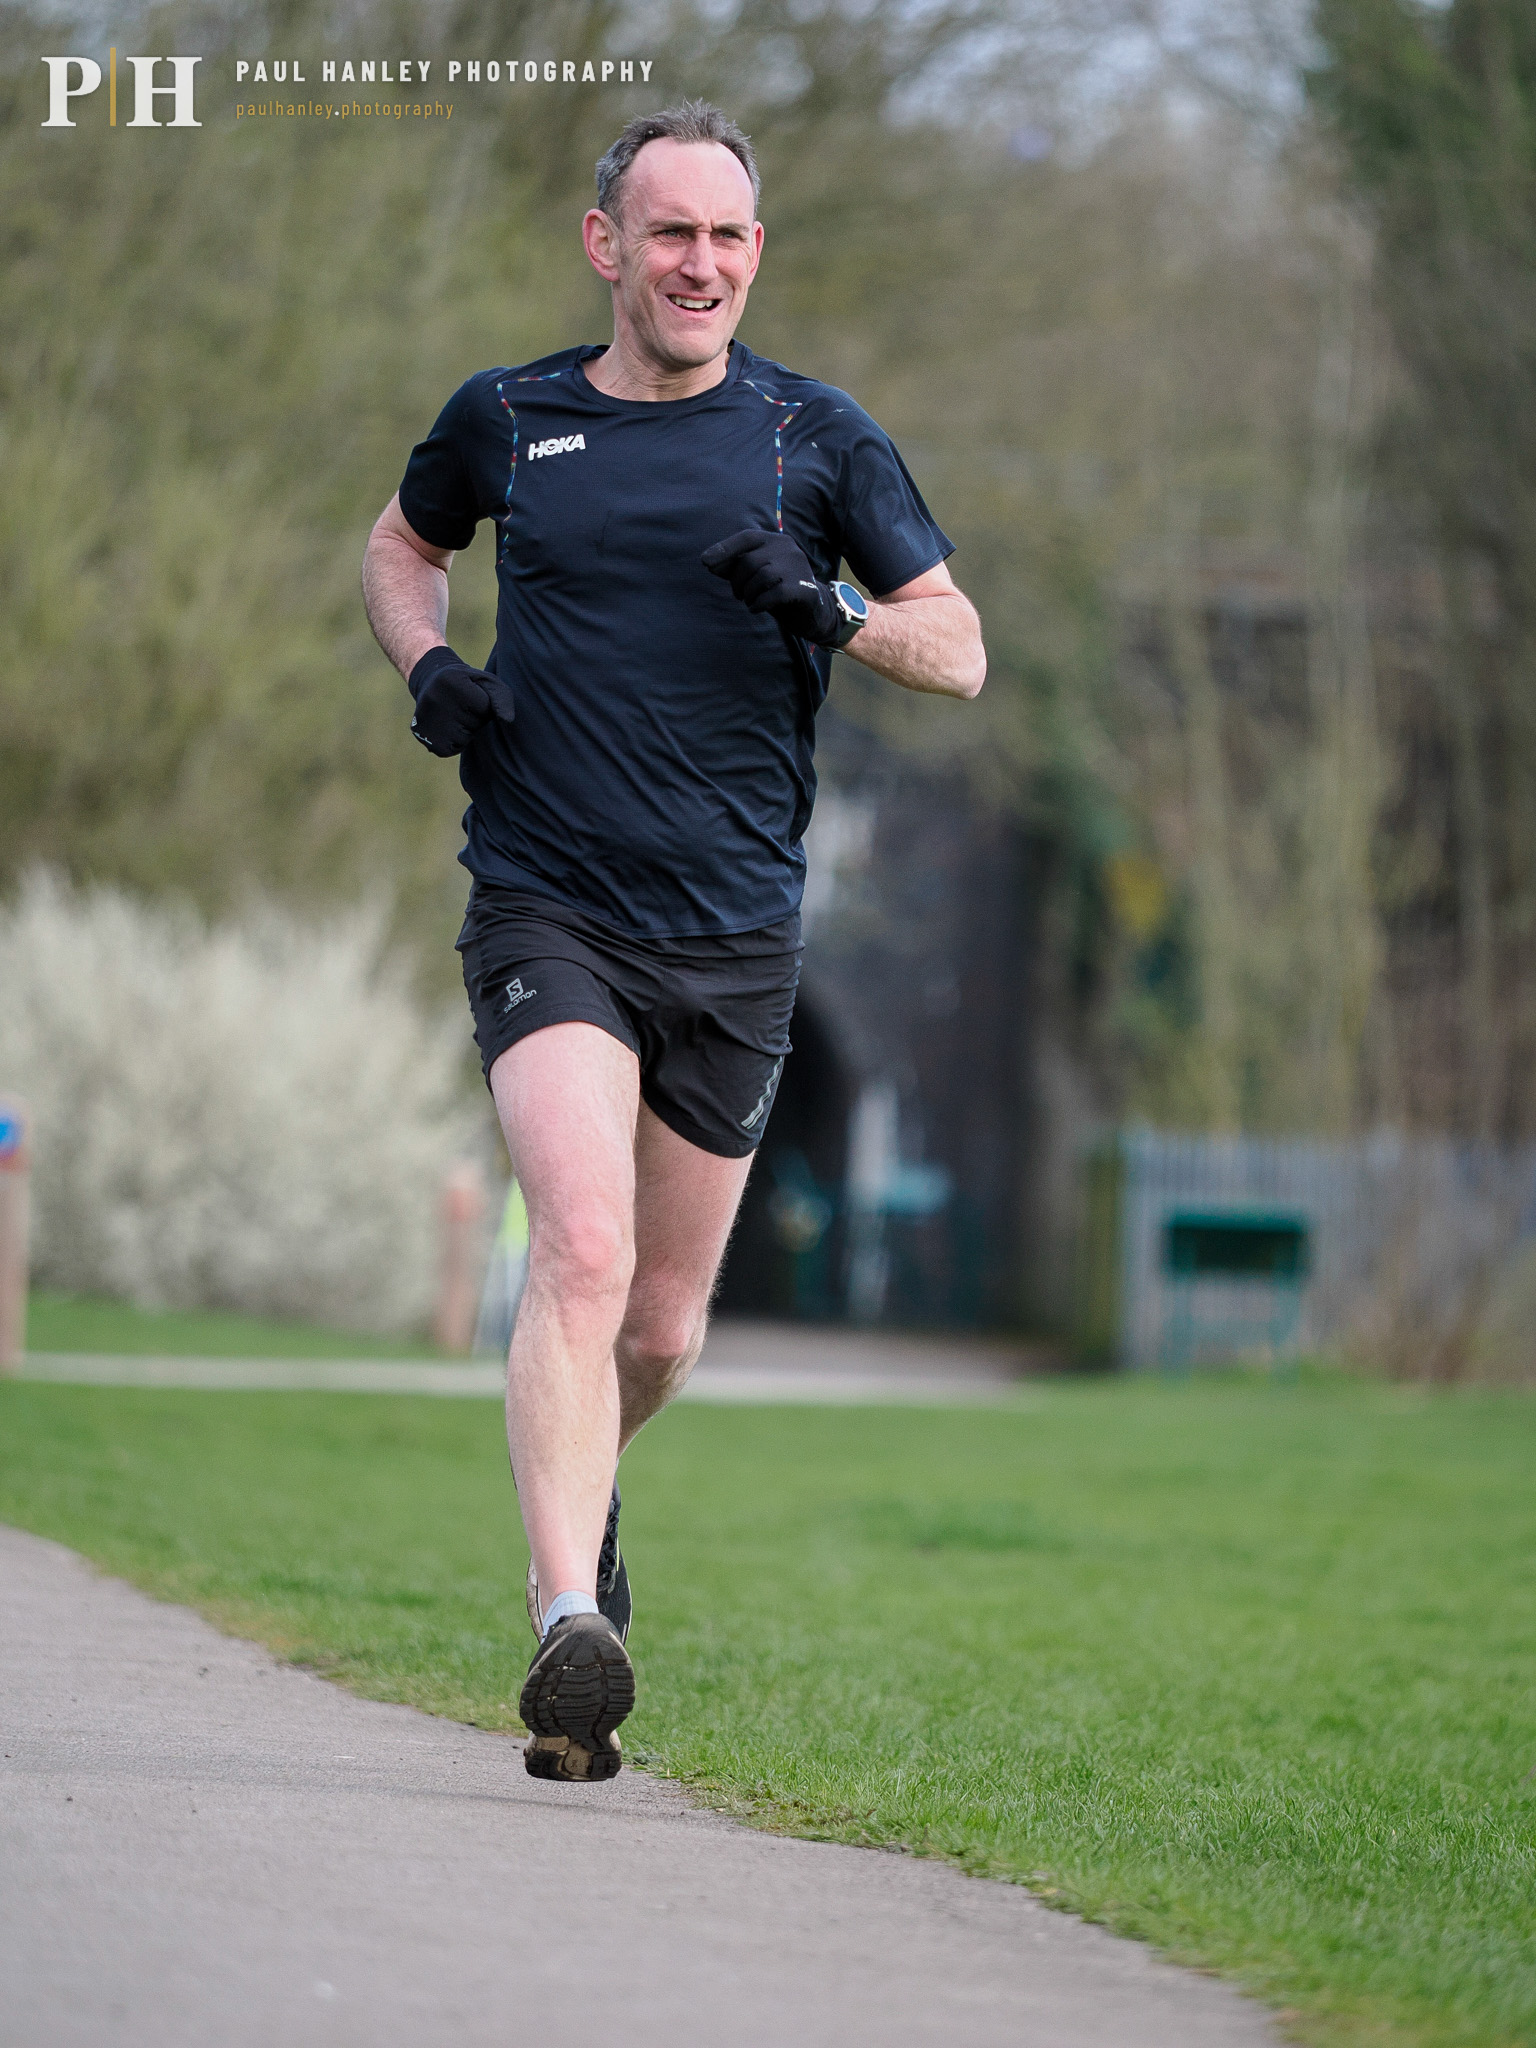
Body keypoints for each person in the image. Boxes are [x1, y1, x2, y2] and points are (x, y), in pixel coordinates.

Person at [361, 100, 985, 1783]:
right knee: (578, 1250)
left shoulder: (815, 440)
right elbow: (400, 546)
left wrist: (834, 610)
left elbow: (962, 649)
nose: (697, 262)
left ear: (754, 254)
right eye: (668, 232)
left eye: (726, 235)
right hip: (548, 900)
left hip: (733, 936)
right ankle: (569, 1619)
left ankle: (593, 1497)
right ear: (606, 244)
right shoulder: (508, 417)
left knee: (657, 1332)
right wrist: (429, 668)